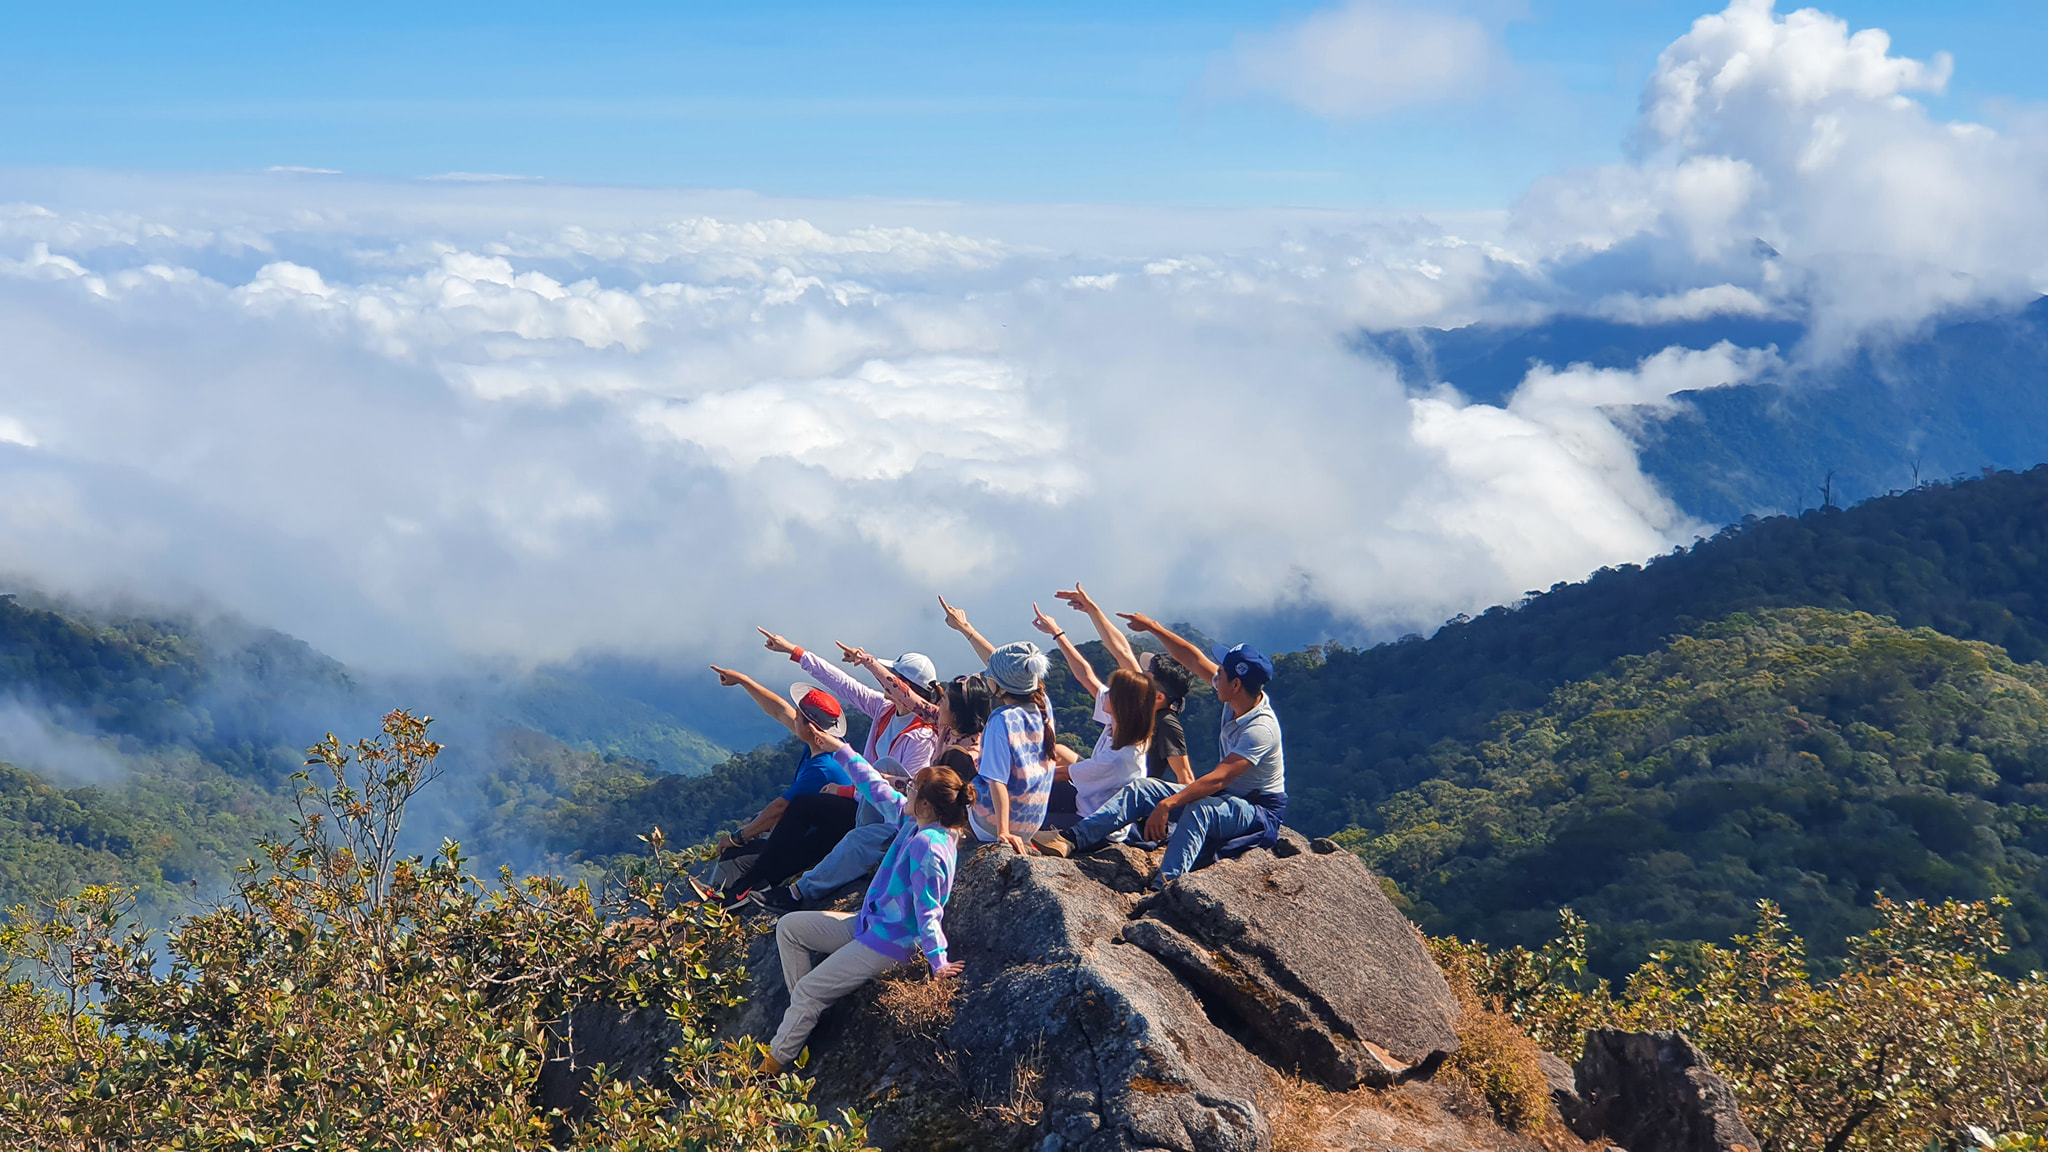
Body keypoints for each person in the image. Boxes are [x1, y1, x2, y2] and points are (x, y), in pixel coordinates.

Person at [759, 715, 972, 1076]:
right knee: (790, 929)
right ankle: (808, 1012)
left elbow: (929, 911)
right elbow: (874, 786)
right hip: (868, 926)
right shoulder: (914, 824)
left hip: (889, 944)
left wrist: (938, 962)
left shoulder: (928, 846)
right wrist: (838, 748)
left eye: (913, 789)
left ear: (926, 804)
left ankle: (772, 1065)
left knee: (810, 990)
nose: (906, 791)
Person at [1041, 614, 1286, 887]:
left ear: (1236, 685)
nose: (1215, 674)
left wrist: (1168, 804)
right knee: (1141, 788)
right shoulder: (1238, 697)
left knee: (1201, 810)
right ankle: (1071, 839)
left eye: (1221, 672)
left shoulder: (1260, 729)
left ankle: (1165, 885)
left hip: (1257, 809)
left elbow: (1219, 779)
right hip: (1227, 796)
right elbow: (1192, 659)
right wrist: (1154, 628)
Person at [743, 668, 995, 913]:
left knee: (859, 839)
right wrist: (866, 661)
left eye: (946, 701)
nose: (938, 705)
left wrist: (877, 778)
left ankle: (798, 893)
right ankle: (865, 839)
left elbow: (932, 796)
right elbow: (907, 695)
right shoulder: (951, 728)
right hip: (924, 806)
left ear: (958, 712)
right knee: (884, 767)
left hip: (932, 824)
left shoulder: (961, 757)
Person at [705, 665, 857, 902]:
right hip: (808, 834)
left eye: (799, 716)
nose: (793, 717)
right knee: (754, 828)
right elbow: (778, 710)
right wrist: (744, 680)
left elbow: (778, 809)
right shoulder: (825, 745)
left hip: (811, 846)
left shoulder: (823, 769)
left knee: (735, 854)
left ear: (811, 728)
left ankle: (723, 907)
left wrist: (737, 837)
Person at [1029, 602, 1153, 846]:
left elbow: (1061, 775)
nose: (1104, 692)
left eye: (1112, 692)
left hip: (1096, 826)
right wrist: (1057, 633)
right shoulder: (1123, 724)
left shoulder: (1120, 757)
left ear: (1120, 704)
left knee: (1025, 820)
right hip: (1087, 802)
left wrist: (1013, 780)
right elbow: (1085, 675)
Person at [940, 596, 1056, 853]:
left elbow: (997, 782)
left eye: (991, 675)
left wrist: (1002, 832)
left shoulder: (1001, 720)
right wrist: (965, 629)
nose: (986, 676)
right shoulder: (1043, 704)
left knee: (943, 780)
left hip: (991, 824)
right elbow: (1001, 665)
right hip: (1030, 823)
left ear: (1001, 686)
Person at [1053, 583, 1193, 785]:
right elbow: (1122, 651)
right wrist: (1091, 609)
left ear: (1159, 697)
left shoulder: (1165, 722)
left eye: (1147, 675)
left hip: (1128, 792)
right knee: (1058, 751)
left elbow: (1186, 777)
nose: (1140, 674)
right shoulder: (1139, 699)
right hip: (1109, 770)